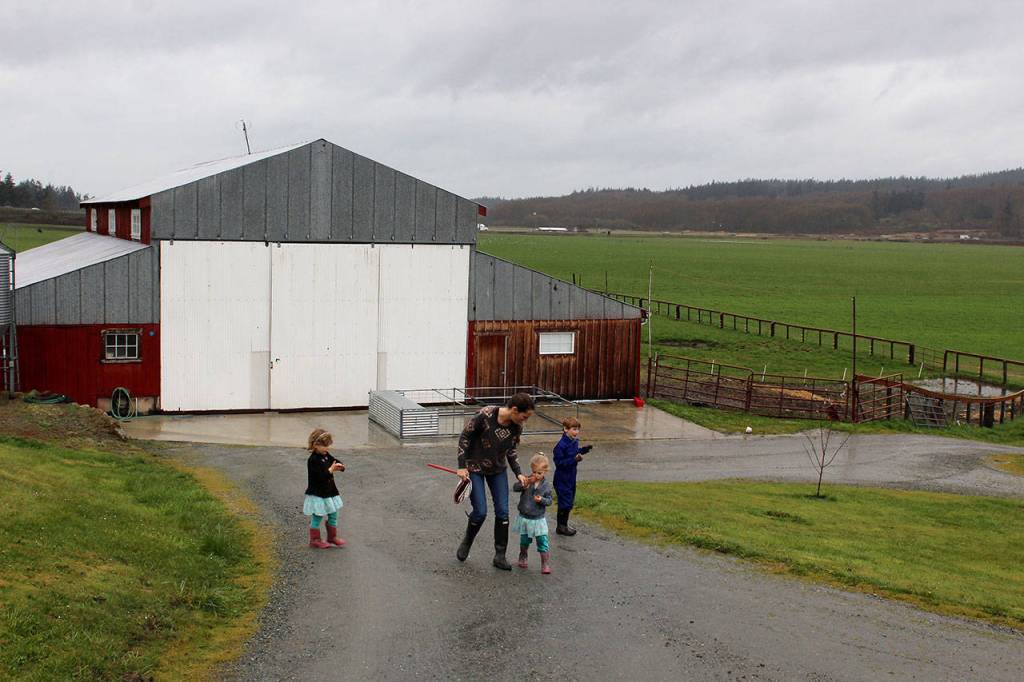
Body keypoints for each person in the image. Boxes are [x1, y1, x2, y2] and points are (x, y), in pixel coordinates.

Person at [455, 392, 535, 570]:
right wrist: (461, 466)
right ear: (515, 410)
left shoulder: (516, 427)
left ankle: (500, 556)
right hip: (474, 468)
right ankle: (467, 541)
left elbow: (511, 450)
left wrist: (518, 473)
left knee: (503, 512)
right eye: (524, 417)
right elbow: (465, 437)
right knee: (480, 512)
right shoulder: (485, 415)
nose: (525, 421)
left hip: (498, 470)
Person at [512, 453, 555, 574]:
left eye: (539, 473)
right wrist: (524, 484)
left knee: (542, 541)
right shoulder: (528, 480)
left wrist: (542, 500)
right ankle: (523, 556)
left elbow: (550, 501)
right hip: (525, 517)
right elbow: (515, 487)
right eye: (534, 472)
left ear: (545, 472)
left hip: (538, 519)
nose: (536, 475)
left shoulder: (546, 486)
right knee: (524, 540)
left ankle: (545, 563)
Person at [304, 428, 346, 549]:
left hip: (329, 492)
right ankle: (315, 540)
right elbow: (320, 477)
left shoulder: (326, 455)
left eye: (328, 446)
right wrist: (330, 470)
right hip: (318, 493)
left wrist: (340, 465)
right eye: (324, 446)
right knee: (318, 515)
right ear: (315, 445)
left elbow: (334, 461)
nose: (327, 448)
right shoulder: (313, 460)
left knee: (333, 513)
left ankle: (332, 537)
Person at [552, 417, 592, 536]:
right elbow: (559, 463)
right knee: (564, 502)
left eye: (578, 429)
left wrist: (583, 450)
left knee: (569, 501)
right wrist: (574, 459)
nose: (576, 432)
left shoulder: (573, 441)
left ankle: (563, 525)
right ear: (565, 429)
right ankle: (561, 526)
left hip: (571, 477)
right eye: (574, 429)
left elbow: (575, 452)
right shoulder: (560, 446)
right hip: (562, 478)